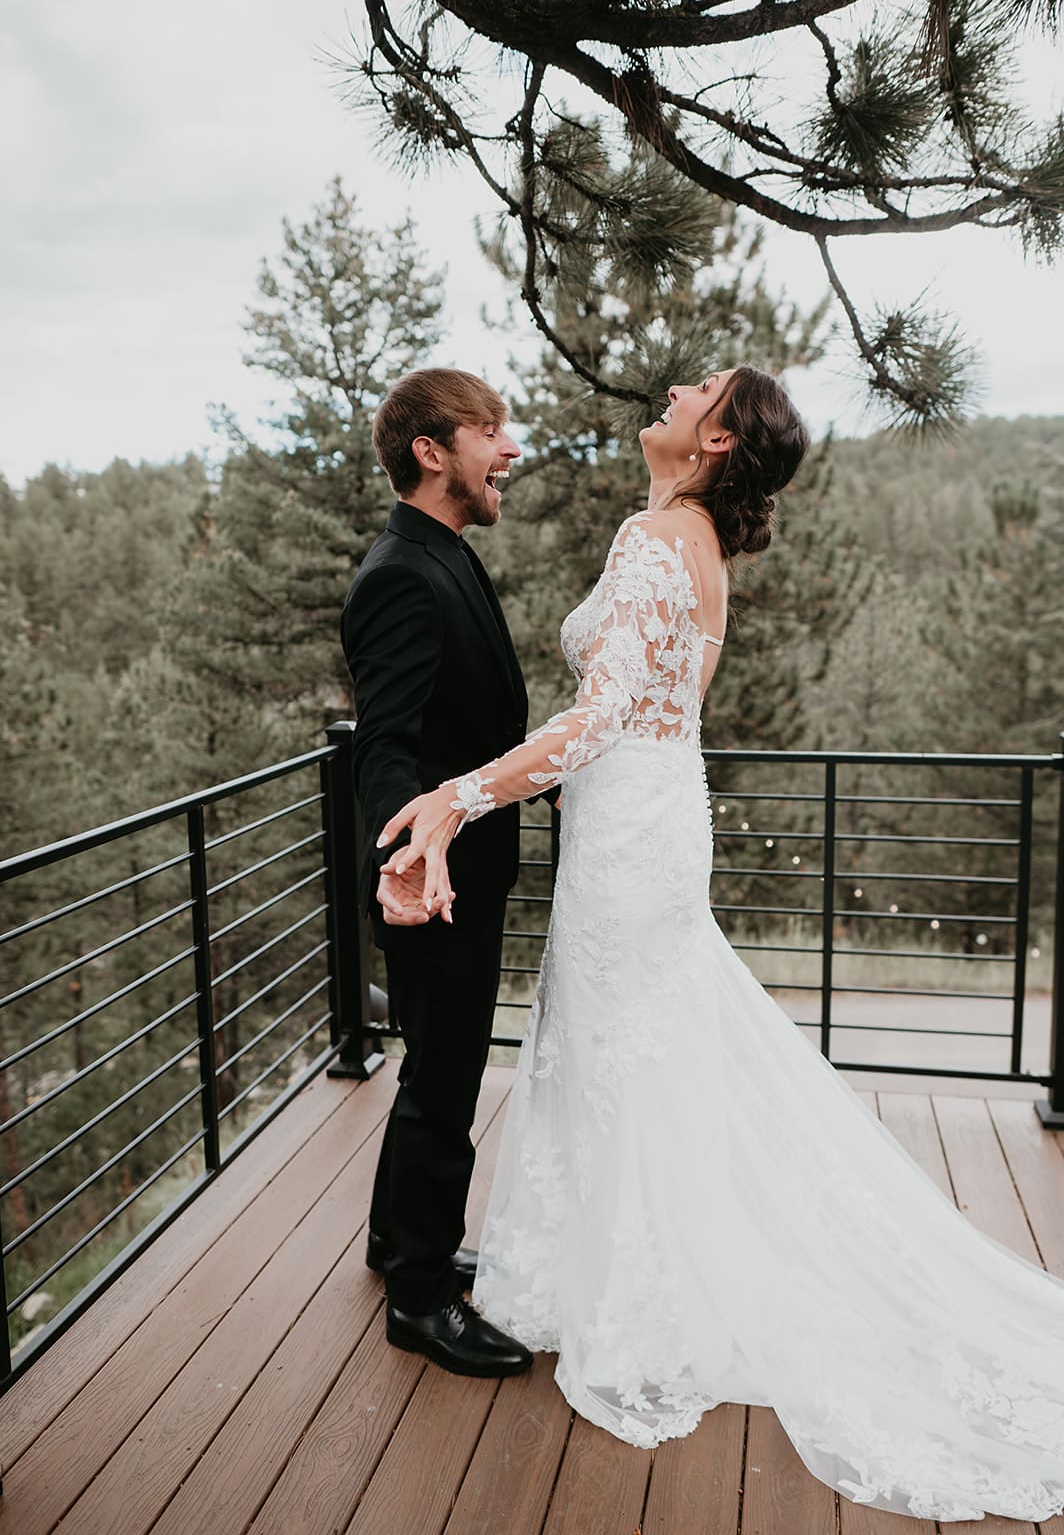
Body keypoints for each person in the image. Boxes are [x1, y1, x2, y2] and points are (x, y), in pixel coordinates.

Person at [376, 366, 1064, 1523]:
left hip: (629, 824)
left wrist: (456, 798)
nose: (680, 385)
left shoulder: (660, 537)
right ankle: (615, 1265)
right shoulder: (684, 533)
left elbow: (601, 719)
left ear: (713, 440)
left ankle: (641, 1296)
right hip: (644, 813)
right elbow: (652, 710)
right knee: (626, 1048)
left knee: (621, 1047)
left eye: (704, 388)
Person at [339, 367, 556, 1381]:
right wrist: (405, 862)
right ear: (434, 451)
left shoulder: (443, 554)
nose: (507, 449)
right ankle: (422, 1301)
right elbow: (381, 746)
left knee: (434, 1070)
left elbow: (464, 721)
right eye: (490, 431)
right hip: (436, 884)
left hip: (462, 865)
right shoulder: (398, 572)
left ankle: (396, 1244)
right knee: (445, 1082)